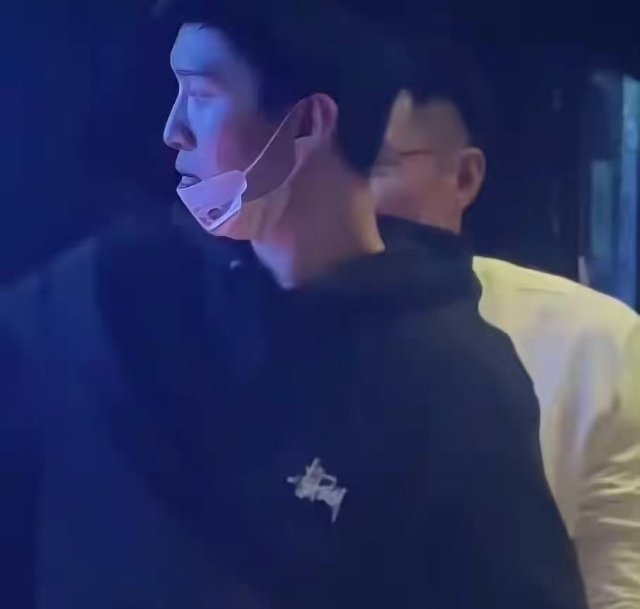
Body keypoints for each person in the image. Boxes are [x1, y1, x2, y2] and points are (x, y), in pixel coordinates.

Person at [1, 1, 587, 607]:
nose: (174, 129)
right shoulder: (124, 292)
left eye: (201, 95)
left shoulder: (456, 381)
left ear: (307, 122)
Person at [372, 79, 640, 609]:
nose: (338, 196)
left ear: (465, 176)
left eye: (370, 165)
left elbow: (618, 585)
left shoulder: (590, 342)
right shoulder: (242, 333)